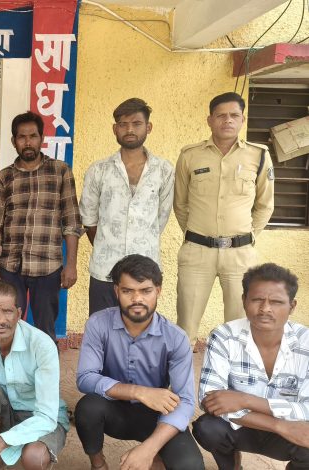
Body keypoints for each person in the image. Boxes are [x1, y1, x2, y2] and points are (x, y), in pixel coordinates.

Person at [75, 254, 204, 470]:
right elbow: (85, 378)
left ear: (158, 291)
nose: (137, 299)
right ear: (116, 291)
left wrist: (149, 449)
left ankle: (157, 457)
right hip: (113, 407)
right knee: (88, 408)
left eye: (146, 291)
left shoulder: (176, 337)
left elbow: (186, 400)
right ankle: (98, 464)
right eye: (128, 291)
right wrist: (138, 392)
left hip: (156, 413)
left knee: (190, 465)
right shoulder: (98, 324)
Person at [174, 92, 275, 346]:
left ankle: (234, 372)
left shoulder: (259, 156)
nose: (227, 120)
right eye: (221, 115)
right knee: (185, 327)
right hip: (197, 253)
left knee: (240, 329)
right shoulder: (190, 155)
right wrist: (197, 233)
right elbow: (180, 204)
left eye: (234, 115)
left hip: (240, 255)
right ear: (210, 120)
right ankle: (181, 373)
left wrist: (246, 236)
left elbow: (264, 205)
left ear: (242, 120)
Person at [193, 263, 309, 470]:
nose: (265, 309)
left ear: (292, 306)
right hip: (243, 425)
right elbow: (209, 401)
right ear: (244, 301)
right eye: (257, 300)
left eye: (276, 302)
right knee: (208, 428)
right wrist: (278, 424)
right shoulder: (224, 336)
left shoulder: (306, 342)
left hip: (290, 432)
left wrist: (244, 400)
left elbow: (307, 409)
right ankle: (231, 466)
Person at [0, 111, 84, 340]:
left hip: (47, 266)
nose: (28, 142)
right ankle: (9, 365)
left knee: (45, 331)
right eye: (22, 137)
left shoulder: (60, 171)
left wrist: (71, 265)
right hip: (10, 266)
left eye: (33, 136)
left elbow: (71, 221)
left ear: (42, 138)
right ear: (14, 141)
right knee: (8, 327)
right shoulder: (4, 177)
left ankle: (46, 365)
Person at [79, 98, 174, 315]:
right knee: (102, 328)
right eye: (123, 124)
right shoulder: (99, 170)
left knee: (141, 329)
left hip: (145, 272)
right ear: (115, 129)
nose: (129, 129)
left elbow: (161, 217)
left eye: (136, 123)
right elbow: (89, 218)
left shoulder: (163, 170)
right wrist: (107, 245)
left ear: (148, 127)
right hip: (105, 269)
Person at [0, 280, 69, 470]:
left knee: (34, 458)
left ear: (19, 314)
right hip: (4, 414)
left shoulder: (42, 345)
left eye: (8, 311)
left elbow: (46, 416)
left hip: (39, 417)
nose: (0, 320)